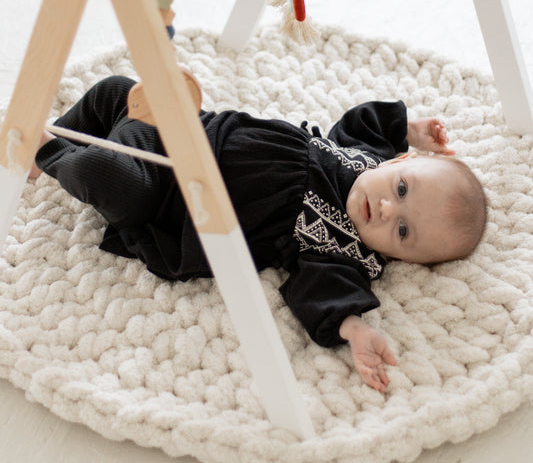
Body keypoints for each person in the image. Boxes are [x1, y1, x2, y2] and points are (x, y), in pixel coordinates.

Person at [30, 75, 487, 393]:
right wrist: (410, 129)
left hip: (168, 201)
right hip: (187, 129)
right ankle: (65, 133)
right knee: (117, 92)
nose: (387, 208)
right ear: (398, 163)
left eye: (403, 231)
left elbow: (322, 290)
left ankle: (45, 150)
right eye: (402, 189)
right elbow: (362, 122)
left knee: (103, 174)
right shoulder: (365, 158)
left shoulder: (346, 250)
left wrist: (352, 327)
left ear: (402, 258)